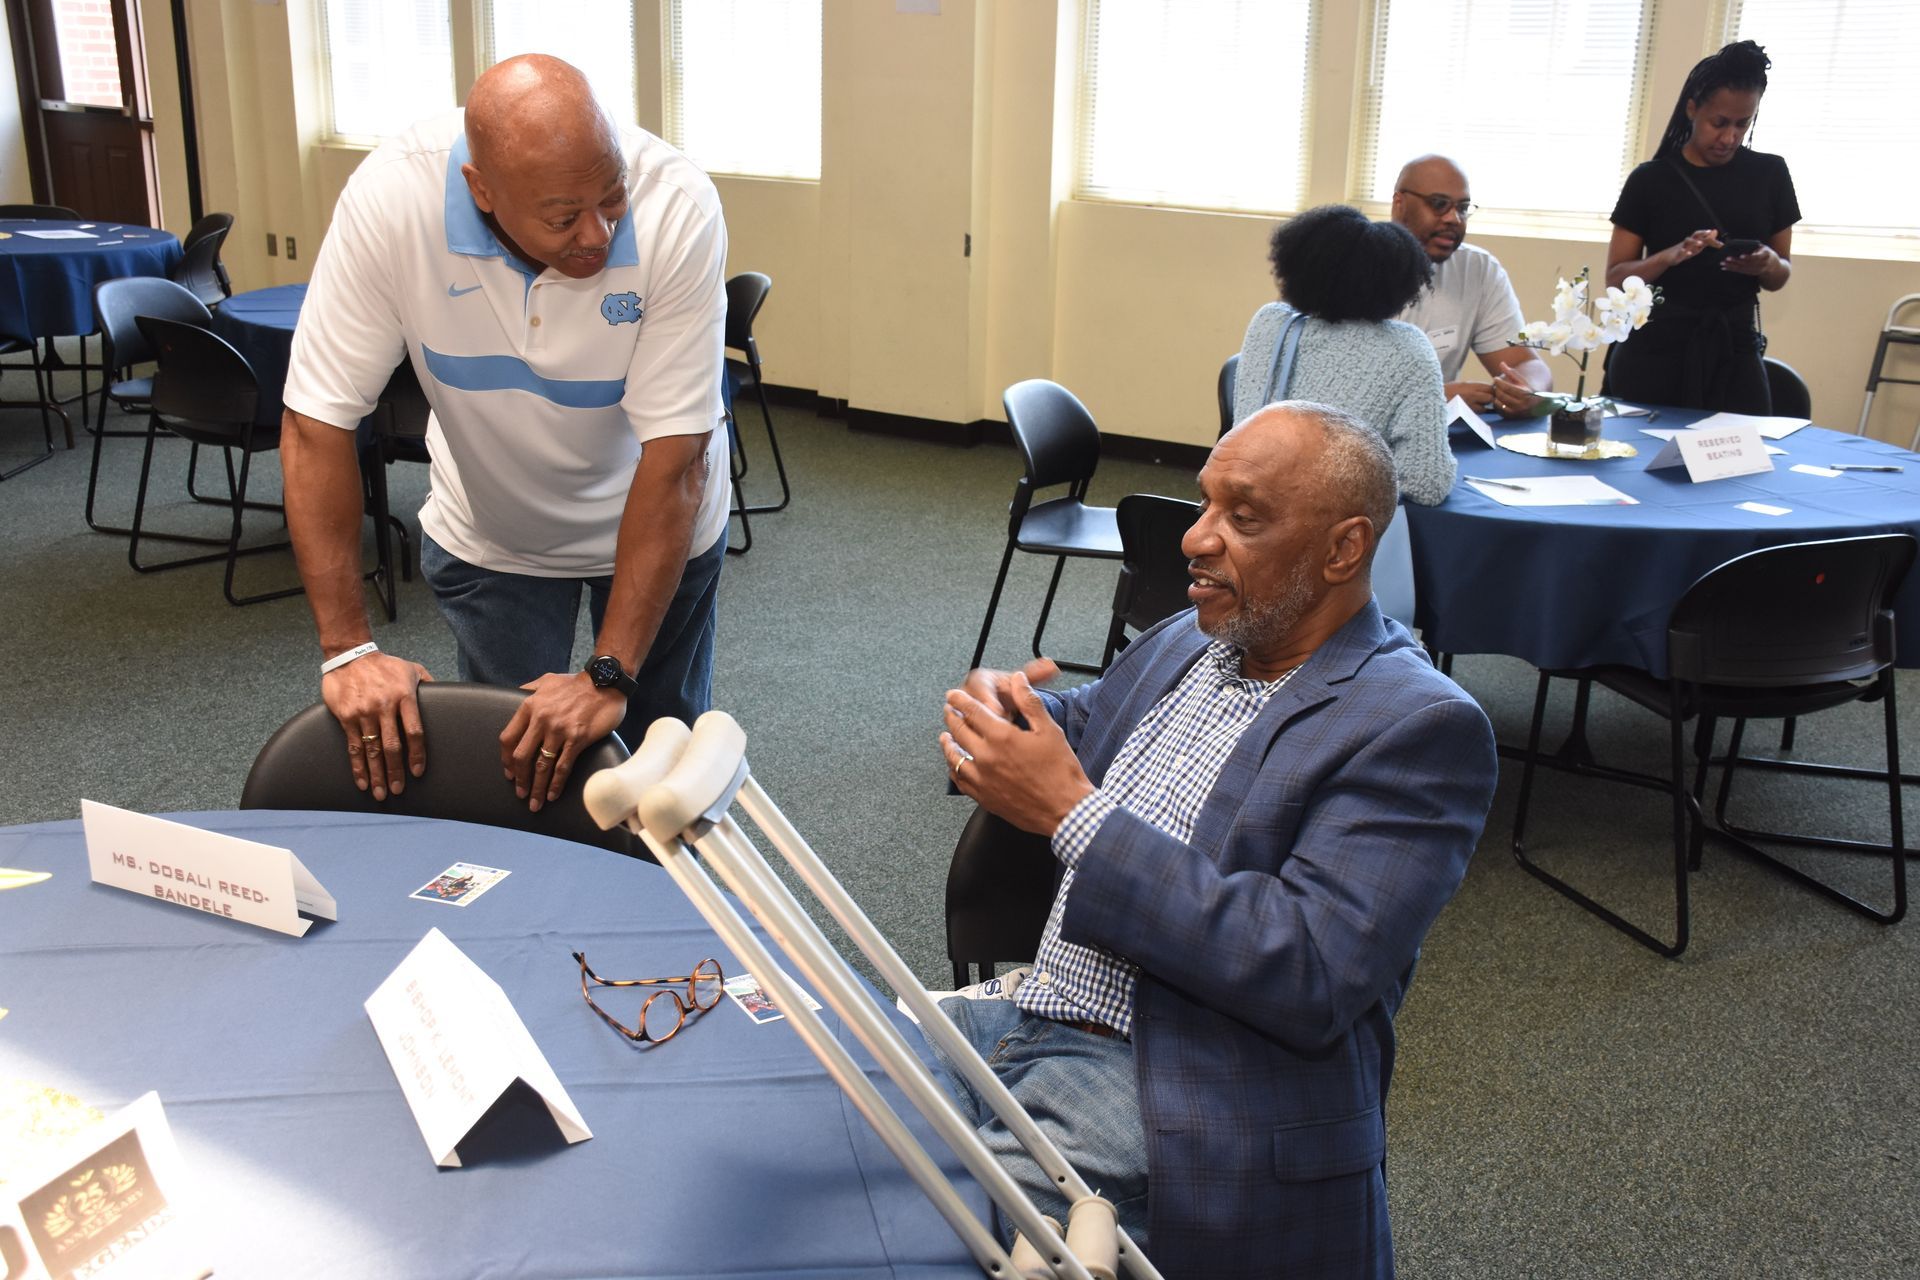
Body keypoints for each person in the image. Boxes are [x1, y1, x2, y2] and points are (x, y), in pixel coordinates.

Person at [934, 401, 1499, 1278]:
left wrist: (1073, 815)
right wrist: (1012, 716)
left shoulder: (1418, 725)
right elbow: (1088, 727)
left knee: (914, 1236)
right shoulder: (1199, 638)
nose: (1195, 540)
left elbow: (1307, 969)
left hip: (1169, 1082)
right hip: (1027, 1013)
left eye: (1243, 518)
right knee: (816, 1107)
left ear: (1344, 550)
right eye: (1203, 505)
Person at [280, 54, 730, 813]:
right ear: (481, 191)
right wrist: (348, 650)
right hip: (495, 535)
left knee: (663, 778)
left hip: (658, 513)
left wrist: (609, 673)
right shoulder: (394, 200)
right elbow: (315, 420)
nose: (597, 232)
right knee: (515, 773)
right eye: (562, 216)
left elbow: (677, 463)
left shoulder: (675, 203)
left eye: (610, 198)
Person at [1605, 40, 1797, 413]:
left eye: (1743, 124)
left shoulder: (1770, 174)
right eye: (1719, 123)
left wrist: (1766, 263)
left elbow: (1781, 274)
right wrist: (1670, 256)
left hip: (1735, 351)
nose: (1729, 137)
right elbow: (1616, 280)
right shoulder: (1650, 180)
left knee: (1743, 463)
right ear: (1692, 108)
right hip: (1653, 353)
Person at [1232, 205, 1454, 505]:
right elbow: (1427, 485)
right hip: (1325, 527)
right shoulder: (1408, 348)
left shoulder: (1270, 322)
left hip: (1244, 505)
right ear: (1400, 283)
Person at [1390, 154, 1553, 417]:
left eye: (1462, 208)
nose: (1454, 218)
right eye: (1439, 204)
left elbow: (1526, 363)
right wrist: (1434, 397)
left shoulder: (1477, 270)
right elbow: (1331, 392)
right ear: (1400, 203)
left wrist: (1528, 389)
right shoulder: (1353, 264)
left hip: (1437, 441)